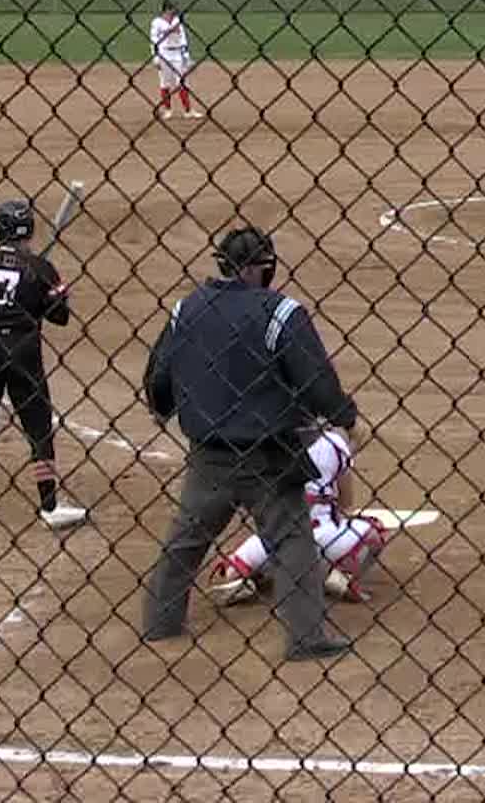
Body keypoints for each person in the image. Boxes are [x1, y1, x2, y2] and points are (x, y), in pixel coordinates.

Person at [140, 225, 361, 661]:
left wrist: (161, 404)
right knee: (293, 537)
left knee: (187, 538)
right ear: (263, 267)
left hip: (208, 450)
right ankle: (305, 637)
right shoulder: (281, 312)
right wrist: (344, 417)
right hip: (270, 451)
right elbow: (315, 376)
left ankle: (160, 622)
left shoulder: (187, 308)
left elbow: (159, 372)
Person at [0, 200, 89, 529]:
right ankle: (49, 505)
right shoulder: (41, 268)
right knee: (38, 424)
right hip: (23, 348)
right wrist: (44, 300)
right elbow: (60, 316)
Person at [206, 425, 389, 606]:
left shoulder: (267, 442)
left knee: (244, 559)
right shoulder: (334, 444)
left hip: (276, 538)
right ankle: (342, 575)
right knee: (375, 531)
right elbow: (346, 501)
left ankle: (242, 576)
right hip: (327, 539)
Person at [149, 3, 199, 120]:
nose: (174, 13)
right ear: (166, 10)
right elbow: (153, 40)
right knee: (165, 83)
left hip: (177, 55)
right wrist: (155, 57)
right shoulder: (157, 23)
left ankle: (188, 110)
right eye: (172, 11)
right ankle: (168, 110)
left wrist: (187, 57)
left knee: (182, 82)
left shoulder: (177, 21)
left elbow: (183, 40)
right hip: (163, 54)